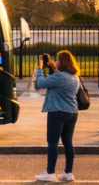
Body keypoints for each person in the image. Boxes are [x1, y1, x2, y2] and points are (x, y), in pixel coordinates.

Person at [33, 50, 80, 182]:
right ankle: (68, 172)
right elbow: (59, 81)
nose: (56, 61)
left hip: (58, 112)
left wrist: (40, 68)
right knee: (68, 142)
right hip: (72, 113)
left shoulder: (59, 77)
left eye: (58, 60)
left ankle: (50, 172)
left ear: (63, 62)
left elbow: (41, 84)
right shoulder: (75, 76)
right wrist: (53, 68)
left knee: (53, 142)